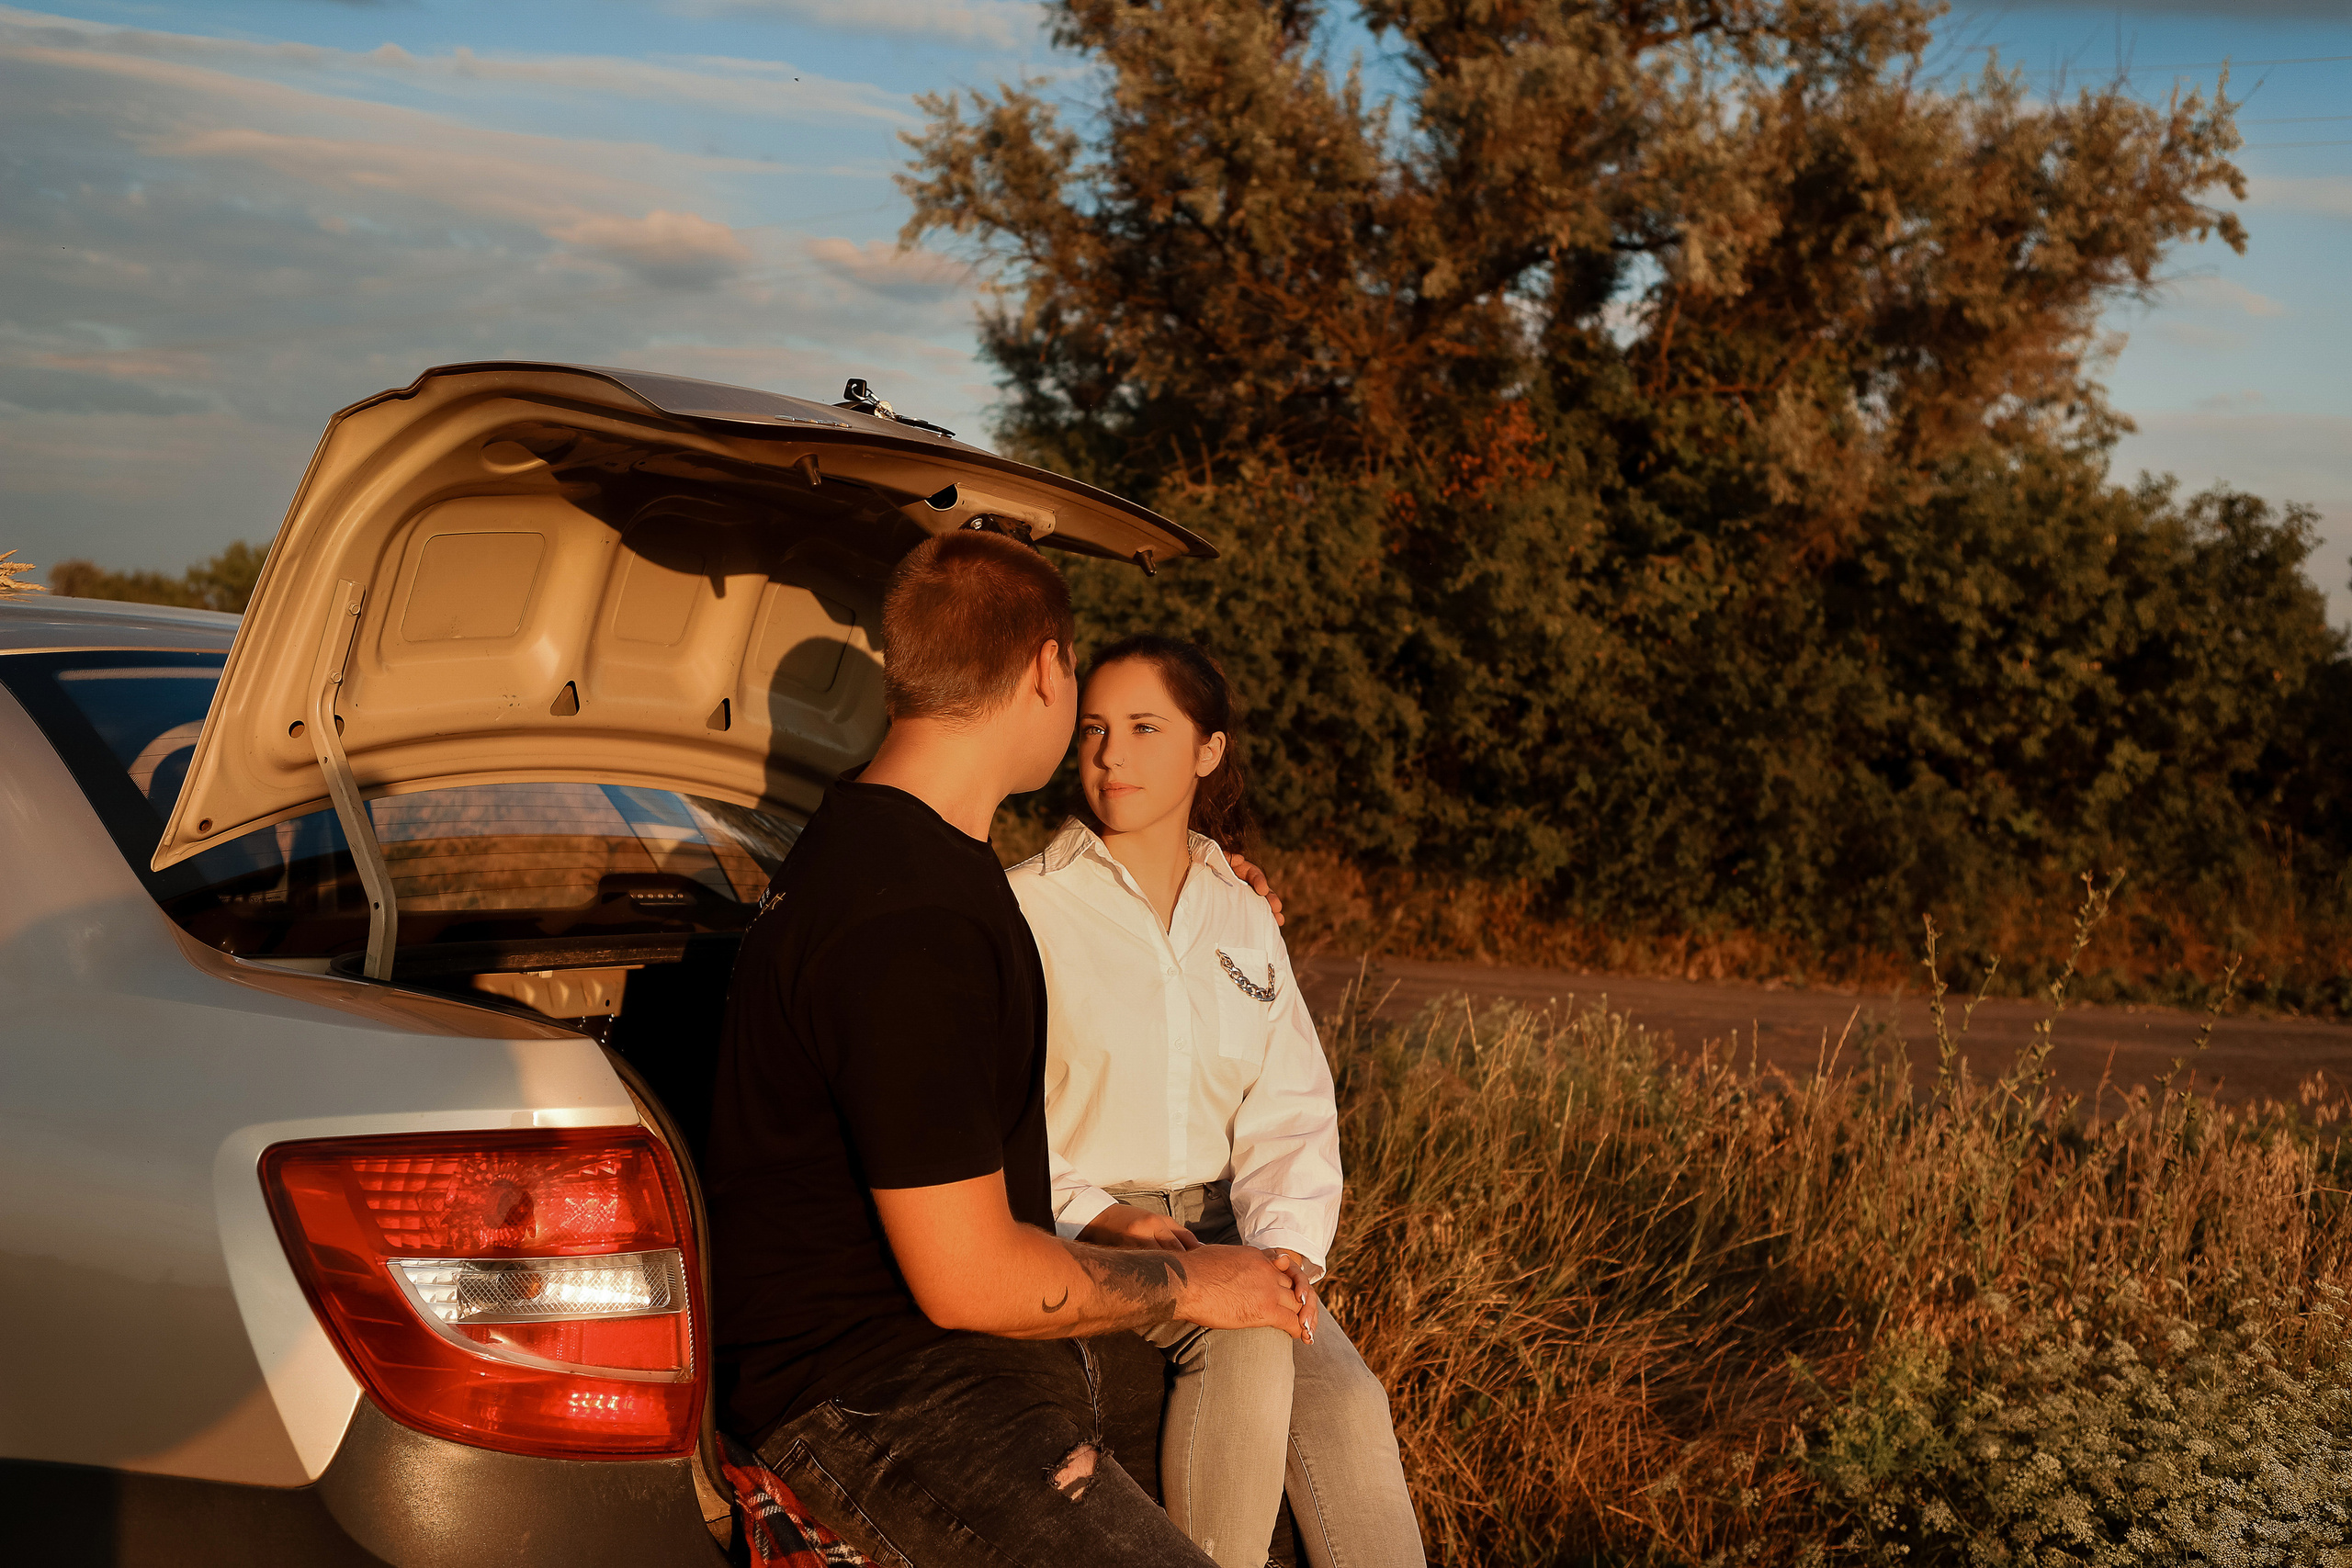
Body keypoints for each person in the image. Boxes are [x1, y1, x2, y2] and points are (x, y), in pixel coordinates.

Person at [704, 532, 1307, 1567]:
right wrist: (1195, 1281)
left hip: (967, 1356)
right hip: (877, 1396)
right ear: (1045, 669)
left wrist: (1217, 886)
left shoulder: (902, 853)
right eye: (1076, 675)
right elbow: (970, 1279)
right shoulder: (908, 918)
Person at [1007, 636, 1427, 1568]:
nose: (1111, 753)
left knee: (1351, 1395)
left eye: (1145, 727)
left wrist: (1284, 1253)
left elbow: (1291, 1104)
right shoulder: (1026, 908)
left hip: (1232, 1224)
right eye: (1094, 730)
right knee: (1236, 1345)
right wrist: (1109, 1217)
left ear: (1207, 750)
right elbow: (1003, 1114)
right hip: (1085, 1225)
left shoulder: (1239, 909)